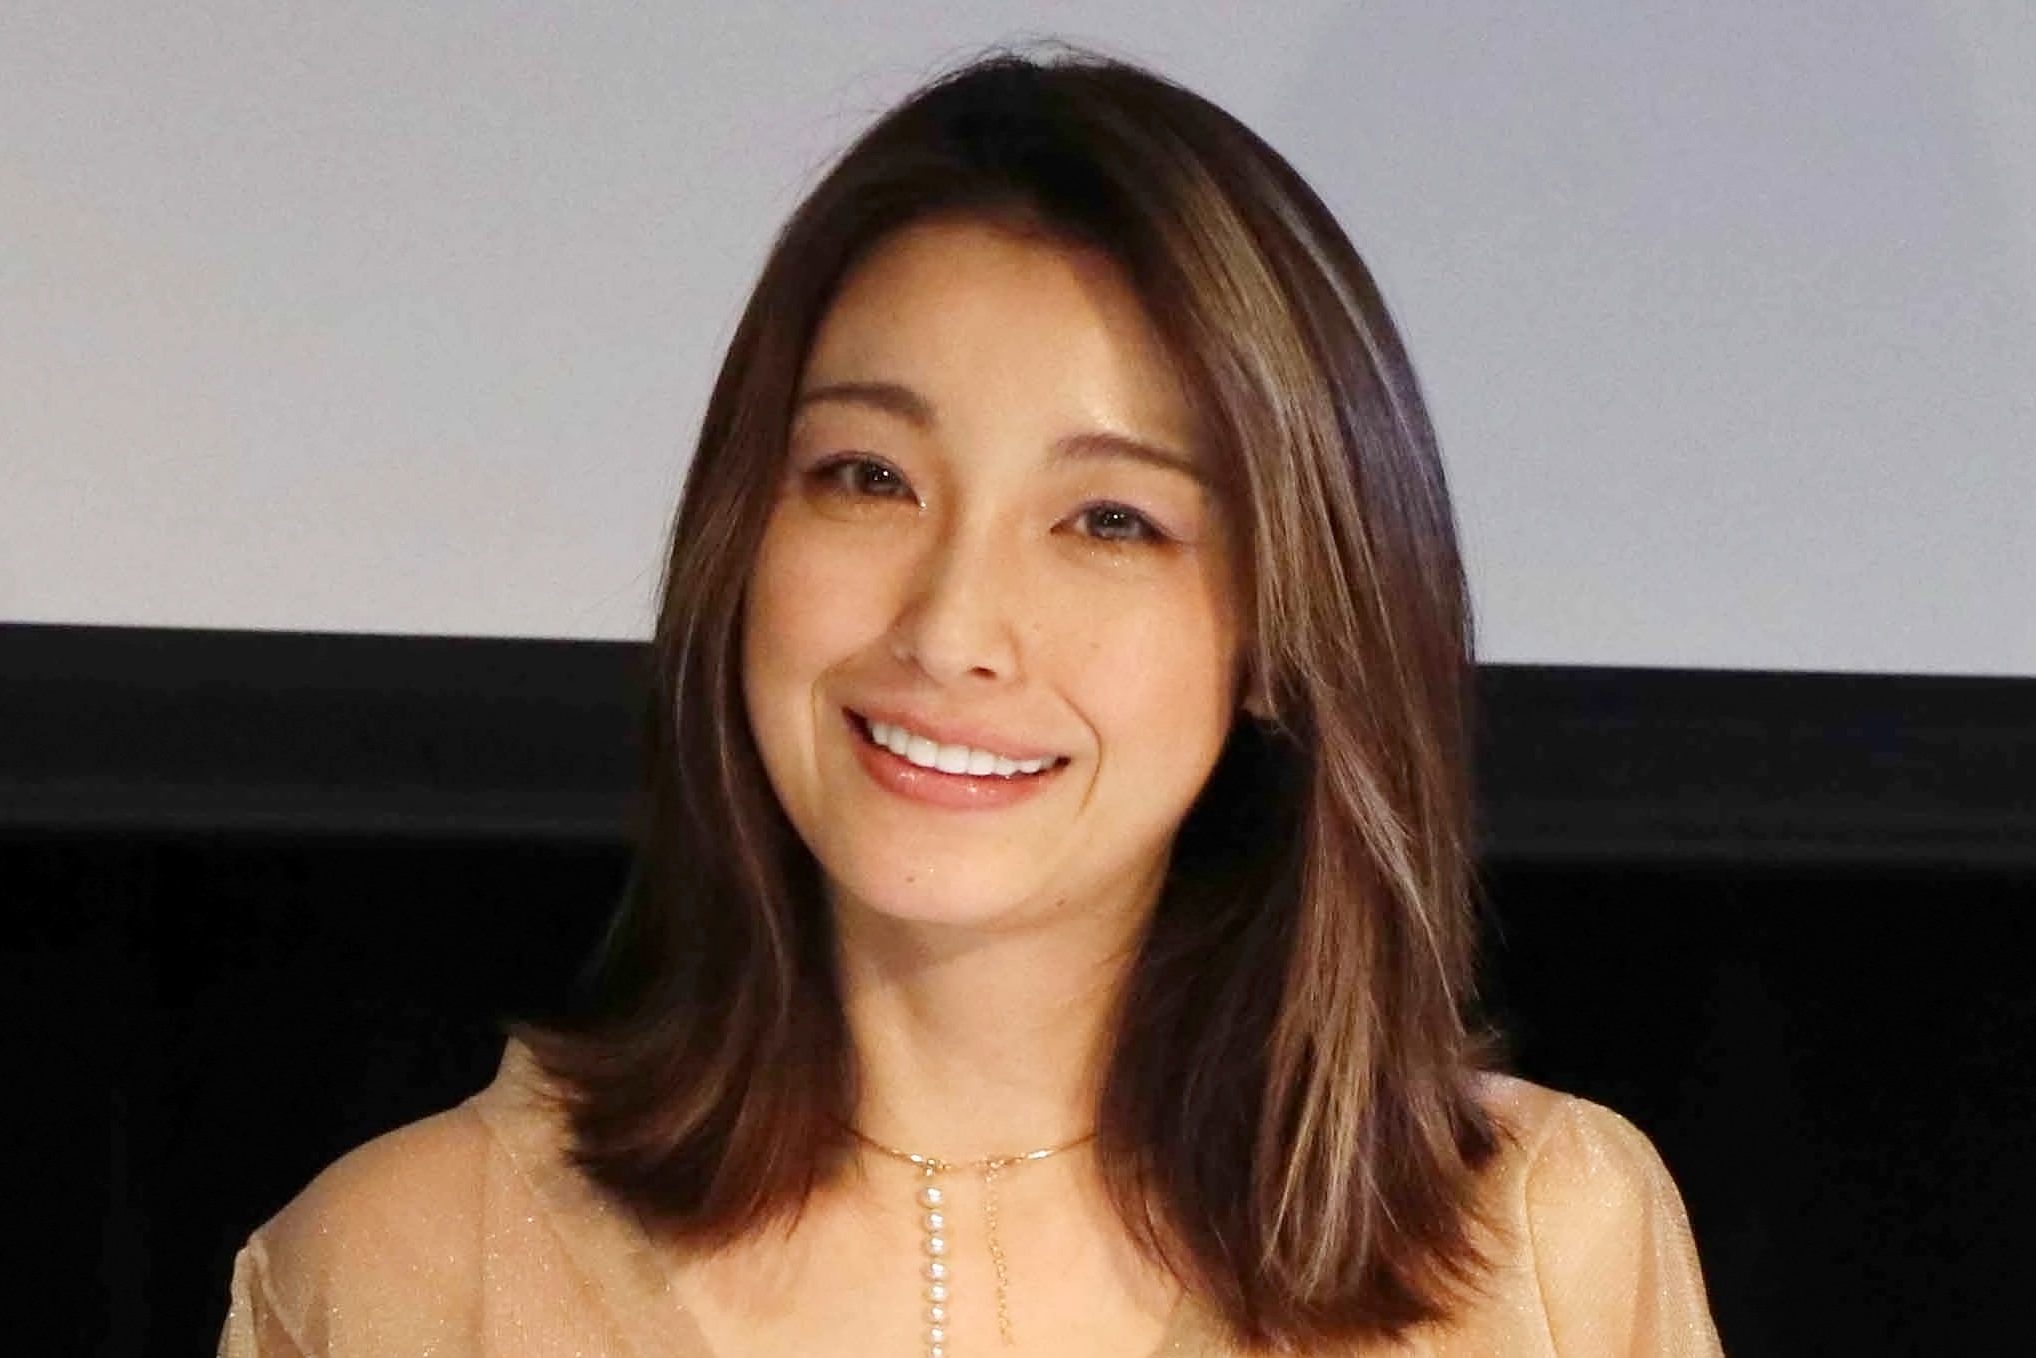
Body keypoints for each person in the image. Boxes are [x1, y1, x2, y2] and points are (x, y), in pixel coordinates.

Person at [217, 47, 1722, 1358]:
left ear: (1285, 628)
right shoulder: (405, 1267)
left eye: (1110, 519)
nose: (949, 630)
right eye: (868, 477)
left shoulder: (1538, 1245)